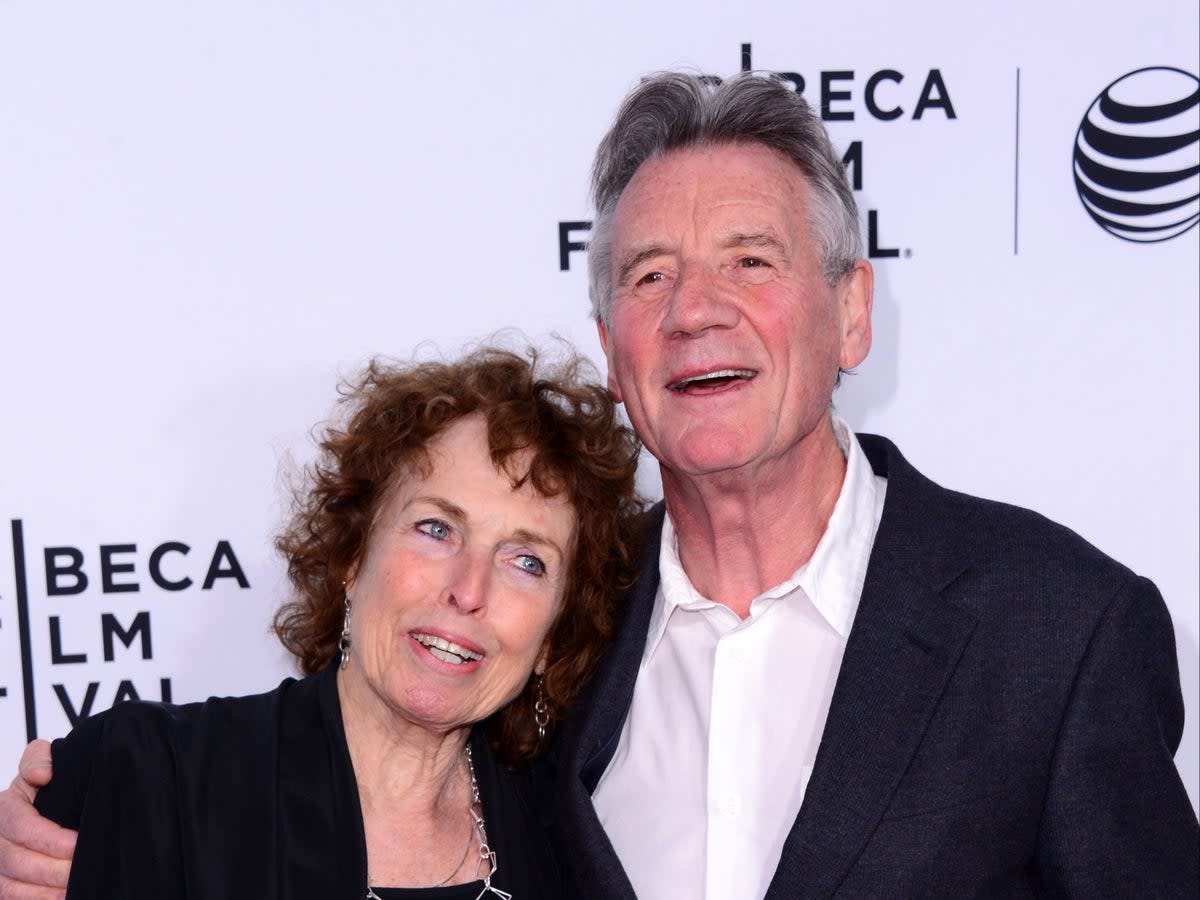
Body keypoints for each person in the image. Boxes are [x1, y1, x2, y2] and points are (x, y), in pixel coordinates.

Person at [3, 71, 1199, 899]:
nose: (694, 311)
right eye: (650, 274)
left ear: (850, 312)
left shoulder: (1061, 630)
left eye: (751, 259)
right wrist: (82, 827)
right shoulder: (554, 625)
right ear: (613, 346)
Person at [0, 345, 643, 899]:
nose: (468, 591)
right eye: (436, 529)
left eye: (527, 560)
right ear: (354, 555)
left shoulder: (567, 844)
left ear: (555, 628)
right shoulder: (145, 780)